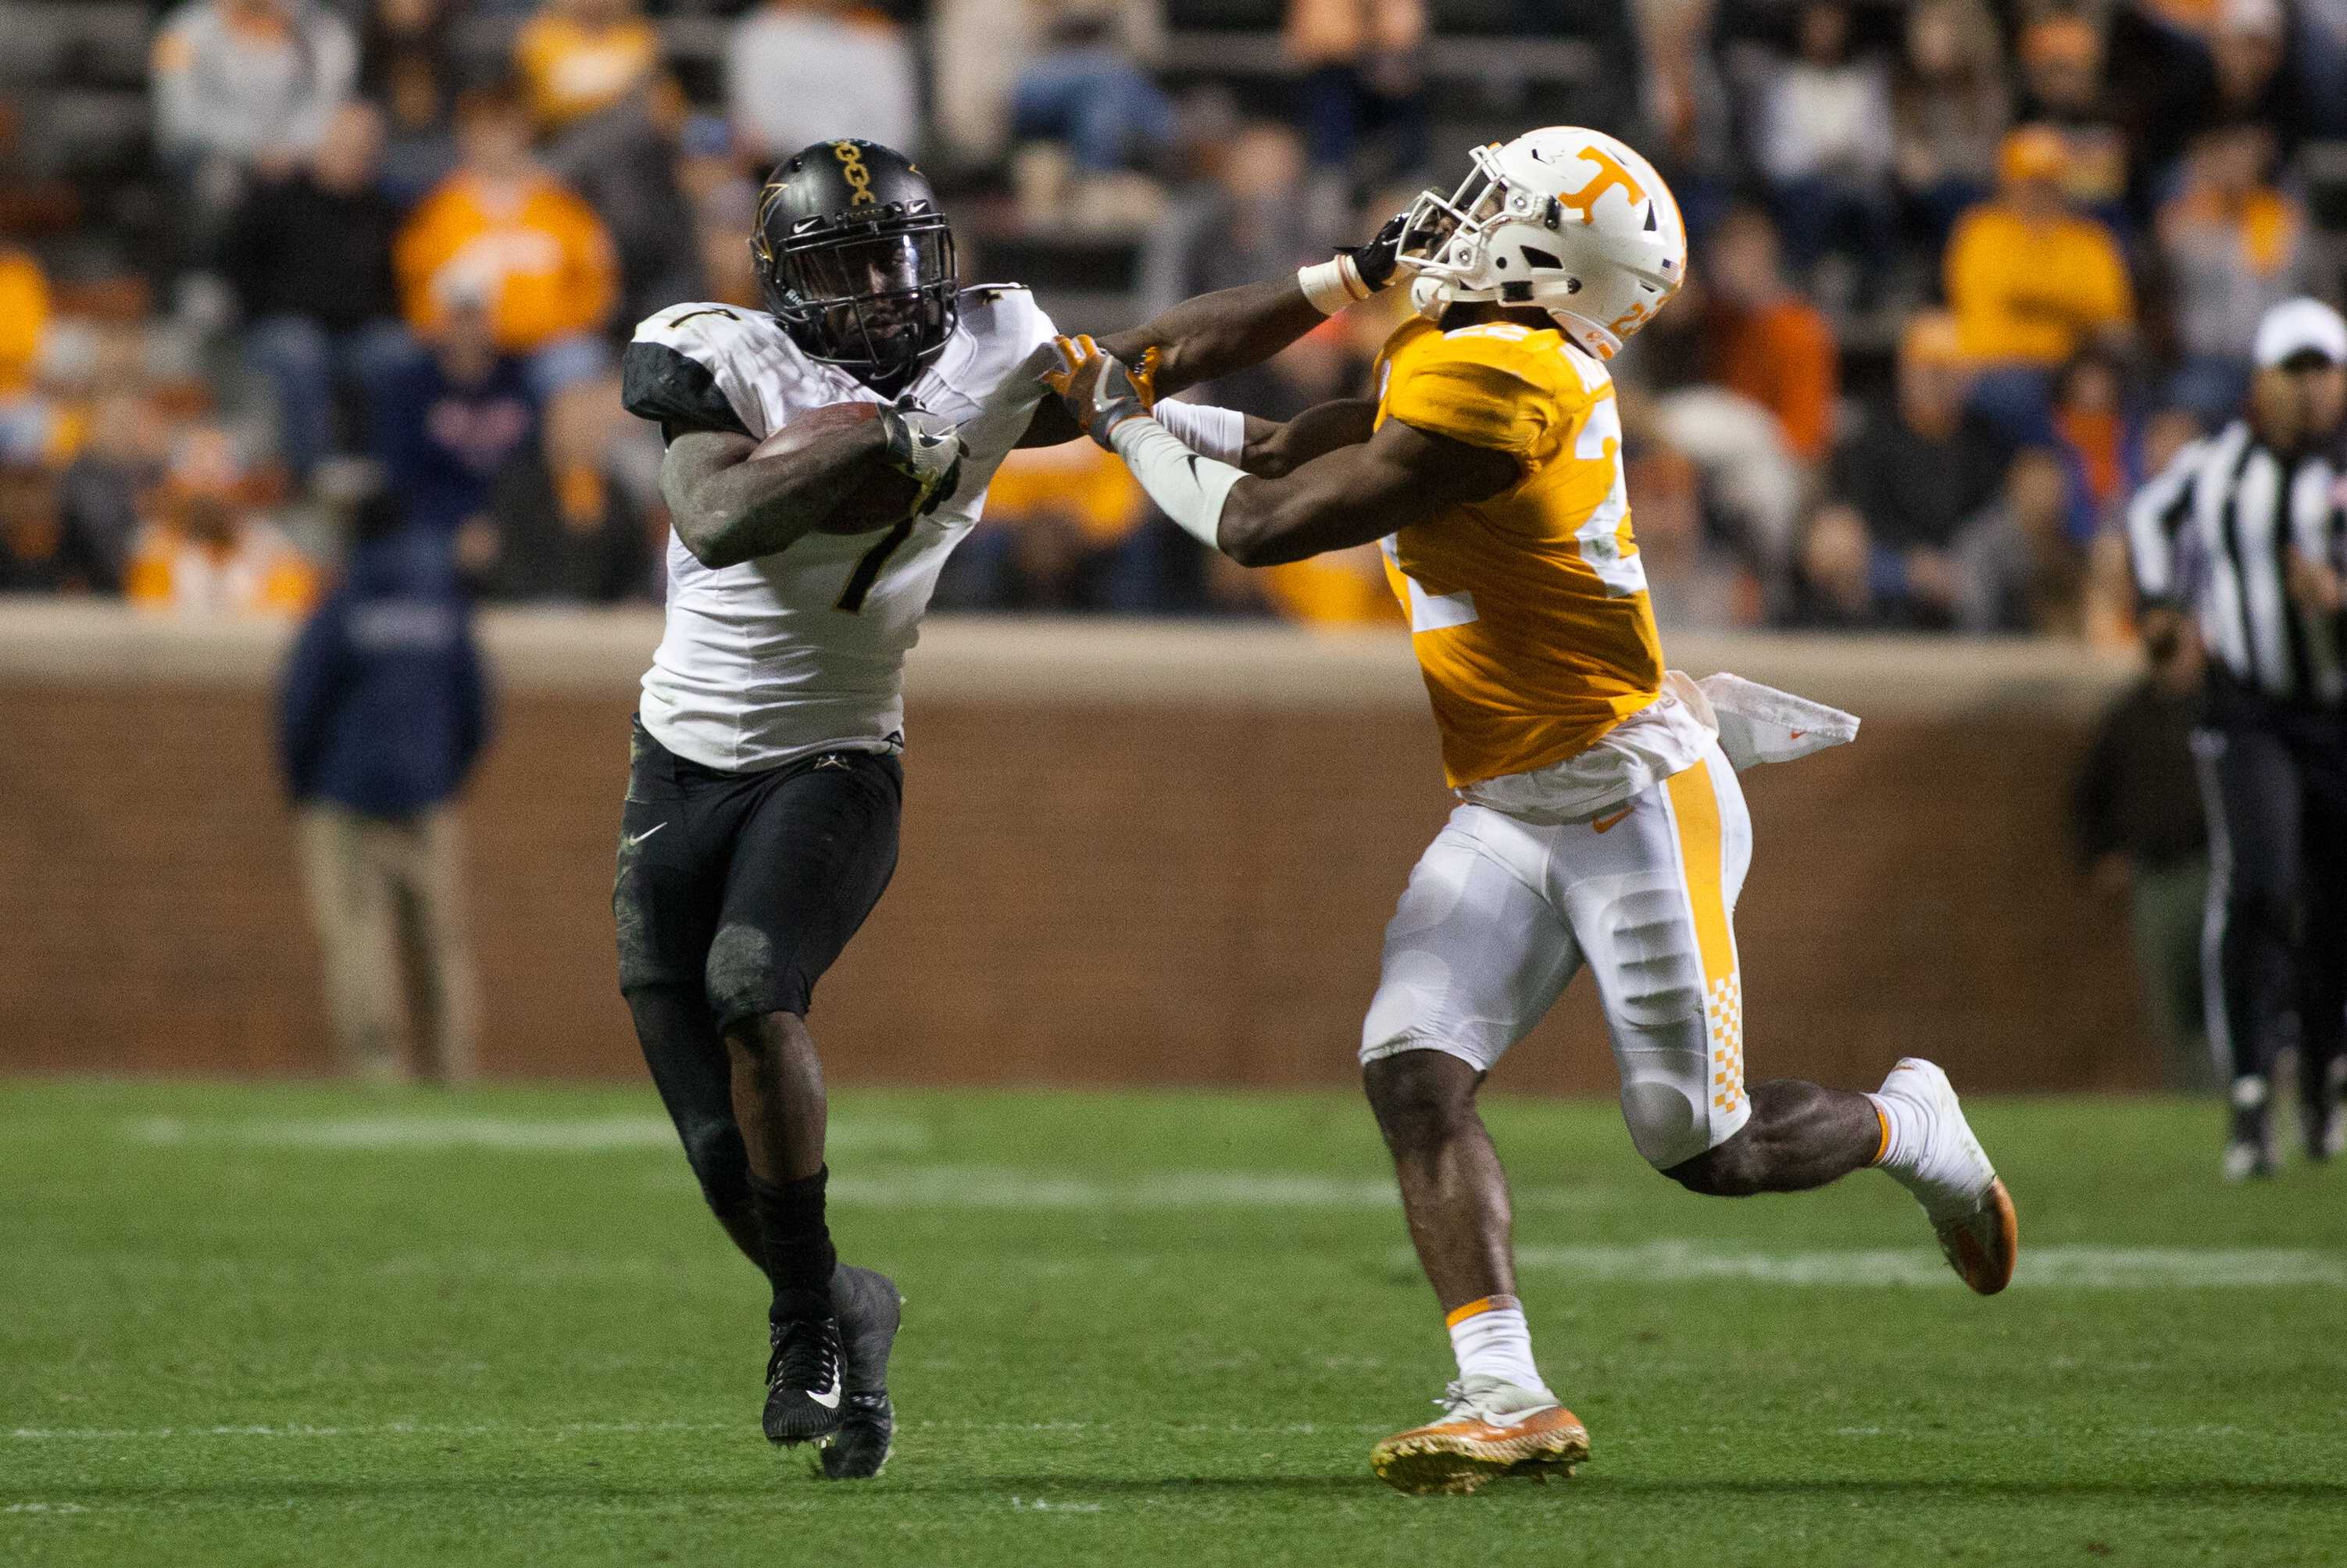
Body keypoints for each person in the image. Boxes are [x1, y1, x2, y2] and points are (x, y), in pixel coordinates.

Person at [1040, 125, 2017, 1496]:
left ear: (1553, 254)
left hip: (1626, 796)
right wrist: (1108, 400)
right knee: (1409, 1066)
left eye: (1497, 202)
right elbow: (1272, 448)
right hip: (1506, 799)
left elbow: (1259, 526)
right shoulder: (1461, 348)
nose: (1457, 212)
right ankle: (1504, 1390)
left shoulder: (1512, 381)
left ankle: (1908, 1126)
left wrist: (1119, 424)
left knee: (1703, 1146)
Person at [609, 135, 1389, 1472]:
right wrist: (871, 438)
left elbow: (1160, 361)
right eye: (844, 263)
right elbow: (718, 516)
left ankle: (805, 1324)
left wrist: (1349, 279)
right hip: (677, 766)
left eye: (899, 255)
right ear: (783, 282)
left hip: (836, 755)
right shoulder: (716, 355)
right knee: (712, 1148)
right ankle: (843, 1302)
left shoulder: (990, 348)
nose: (880, 287)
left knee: (753, 981)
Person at [2126, 296, 2347, 1177]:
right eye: (2290, 370)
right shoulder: (2215, 469)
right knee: (2259, 882)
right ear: (2259, 379)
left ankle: (2324, 1079)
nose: (2306, 389)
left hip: (2337, 711)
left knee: (2334, 902)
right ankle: (2252, 1091)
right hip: (2249, 706)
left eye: (2320, 369)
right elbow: (2149, 519)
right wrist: (2163, 613)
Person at [277, 524, 487, 1083]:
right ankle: (451, 1063)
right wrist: (446, 774)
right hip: (428, 796)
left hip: (344, 796)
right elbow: (477, 706)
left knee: (356, 936)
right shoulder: (443, 606)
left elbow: (301, 703)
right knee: (440, 936)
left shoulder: (342, 604)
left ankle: (377, 1066)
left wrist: (303, 786)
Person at [225, 102, 411, 483]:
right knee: (300, 351)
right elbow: (235, 262)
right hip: (284, 327)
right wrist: (257, 311)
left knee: (397, 352)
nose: (352, 157)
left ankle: (384, 475)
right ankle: (309, 475)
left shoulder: (385, 210)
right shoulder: (278, 198)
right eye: (343, 145)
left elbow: (399, 284)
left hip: (359, 334)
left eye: (363, 149)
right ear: (321, 144)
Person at [394, 84, 618, 400]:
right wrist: (444, 331)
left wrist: (563, 326)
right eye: (484, 129)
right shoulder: (439, 209)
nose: (496, 140)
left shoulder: (562, 205)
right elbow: (417, 282)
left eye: (504, 127)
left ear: (524, 132)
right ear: (466, 137)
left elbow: (596, 281)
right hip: (465, 350)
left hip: (547, 345)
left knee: (576, 362)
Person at [2072, 633, 2213, 1092]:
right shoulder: (2129, 715)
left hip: (2217, 870)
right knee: (2169, 1005)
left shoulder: (2222, 705)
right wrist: (2101, 854)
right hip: (2155, 878)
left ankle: (2236, 1095)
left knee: (2227, 992)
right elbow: (2088, 794)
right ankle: (2191, 1101)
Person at [1945, 126, 2134, 436]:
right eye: (2027, 181)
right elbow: (2006, 289)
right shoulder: (1980, 230)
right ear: (2006, 183)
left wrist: (2037, 298)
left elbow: (2112, 313)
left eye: (2047, 182)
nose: (2037, 192)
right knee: (2014, 394)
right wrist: (2071, 303)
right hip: (1997, 365)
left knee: (2107, 389)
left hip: (2070, 365)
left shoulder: (2090, 238)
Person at [1827, 313, 2011, 627]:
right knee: (1836, 542)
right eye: (1927, 370)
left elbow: (1989, 515)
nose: (1937, 381)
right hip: (1892, 557)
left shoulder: (1983, 439)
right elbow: (1863, 509)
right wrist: (1914, 562)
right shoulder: (1876, 433)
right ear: (1906, 372)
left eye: (1948, 371)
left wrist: (1952, 562)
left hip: (1962, 563)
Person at [123, 428, 317, 615]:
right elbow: (151, 621)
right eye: (197, 473)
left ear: (242, 485)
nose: (208, 484)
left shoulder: (274, 551)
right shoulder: (153, 549)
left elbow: (283, 620)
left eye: (218, 473)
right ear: (174, 485)